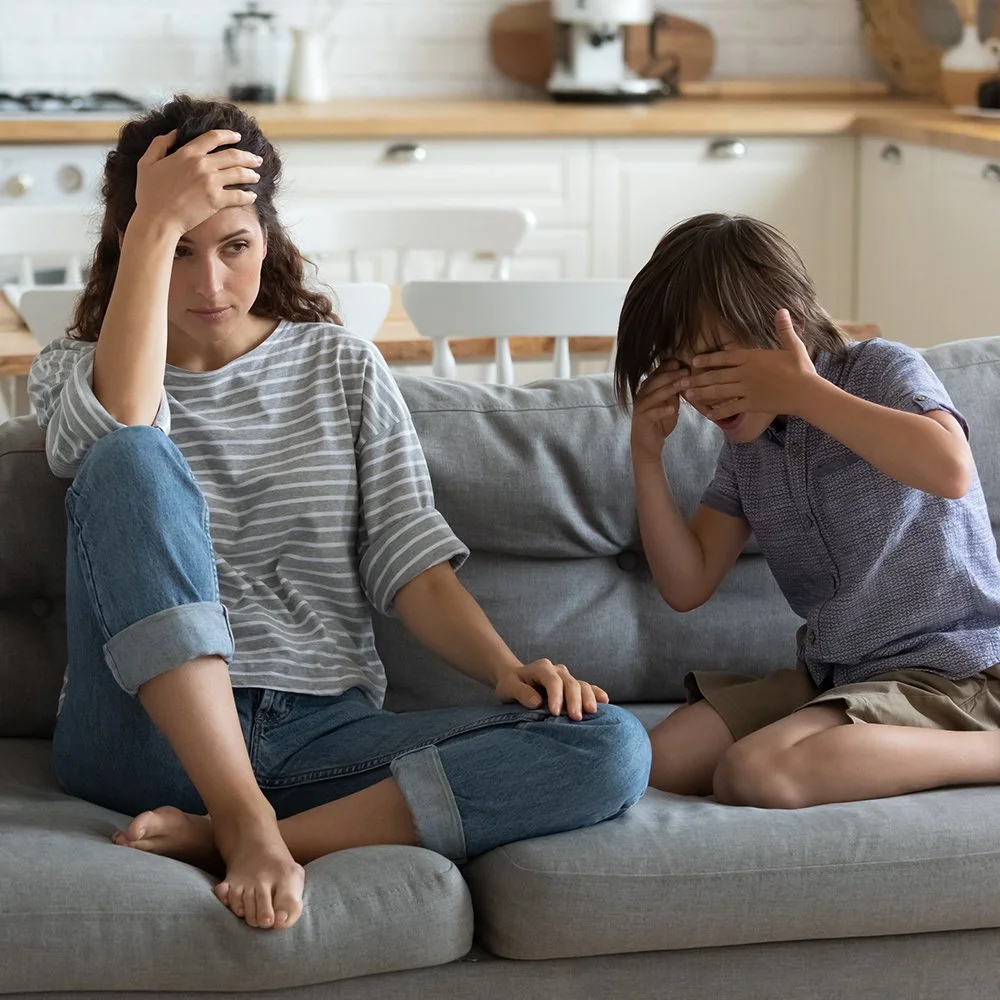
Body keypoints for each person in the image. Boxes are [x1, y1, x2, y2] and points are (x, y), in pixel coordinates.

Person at [27, 95, 651, 932]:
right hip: (142, 734)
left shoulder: (341, 365)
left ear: (270, 237)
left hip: (317, 734)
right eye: (178, 250)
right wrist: (149, 221)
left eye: (235, 245)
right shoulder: (75, 370)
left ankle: (239, 833)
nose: (210, 283)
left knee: (611, 747)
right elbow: (126, 425)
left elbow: (410, 565)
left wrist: (506, 670)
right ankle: (245, 823)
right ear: (132, 246)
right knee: (133, 454)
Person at [615, 212, 1000, 809]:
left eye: (716, 360)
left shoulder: (877, 370)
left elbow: (950, 468)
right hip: (838, 674)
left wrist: (805, 392)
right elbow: (686, 584)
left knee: (757, 774)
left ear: (781, 326)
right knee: (651, 762)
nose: (702, 391)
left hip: (954, 673)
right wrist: (645, 457)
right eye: (682, 368)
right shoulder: (749, 452)